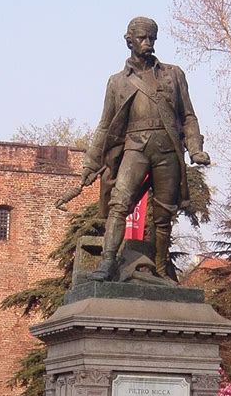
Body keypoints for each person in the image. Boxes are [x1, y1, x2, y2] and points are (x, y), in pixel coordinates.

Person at [82, 16, 210, 281]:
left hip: (167, 149)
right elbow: (105, 125)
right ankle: (107, 263)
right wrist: (91, 163)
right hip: (135, 148)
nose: (148, 43)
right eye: (142, 38)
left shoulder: (173, 74)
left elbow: (188, 116)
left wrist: (195, 148)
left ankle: (162, 269)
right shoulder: (117, 82)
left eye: (152, 38)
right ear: (129, 41)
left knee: (164, 214)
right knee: (119, 203)